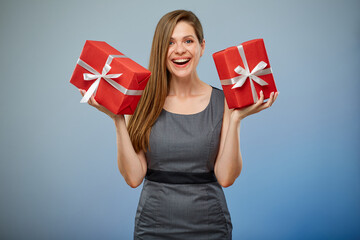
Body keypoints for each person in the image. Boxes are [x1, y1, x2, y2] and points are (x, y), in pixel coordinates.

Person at [80, 9, 278, 240]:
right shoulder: (142, 102)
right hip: (153, 227)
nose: (180, 49)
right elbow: (134, 178)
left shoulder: (223, 102)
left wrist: (235, 119)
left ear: (202, 47)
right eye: (170, 42)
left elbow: (226, 178)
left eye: (188, 40)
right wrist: (118, 119)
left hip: (210, 226)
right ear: (160, 49)